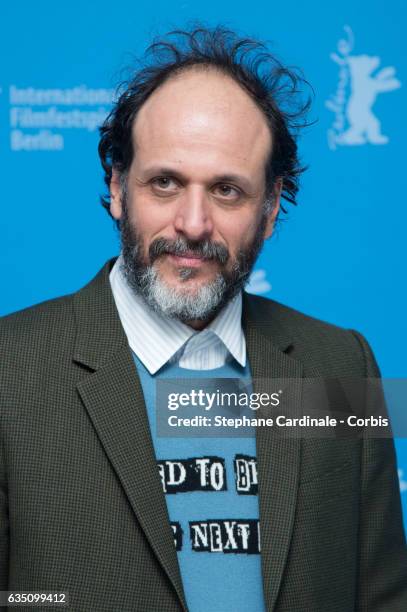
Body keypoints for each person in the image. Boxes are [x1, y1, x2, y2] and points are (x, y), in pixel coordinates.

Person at [1, 26, 406, 612]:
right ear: (117, 187)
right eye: (164, 182)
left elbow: (381, 596)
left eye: (227, 191)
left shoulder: (340, 363)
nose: (193, 223)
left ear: (270, 209)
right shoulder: (9, 371)